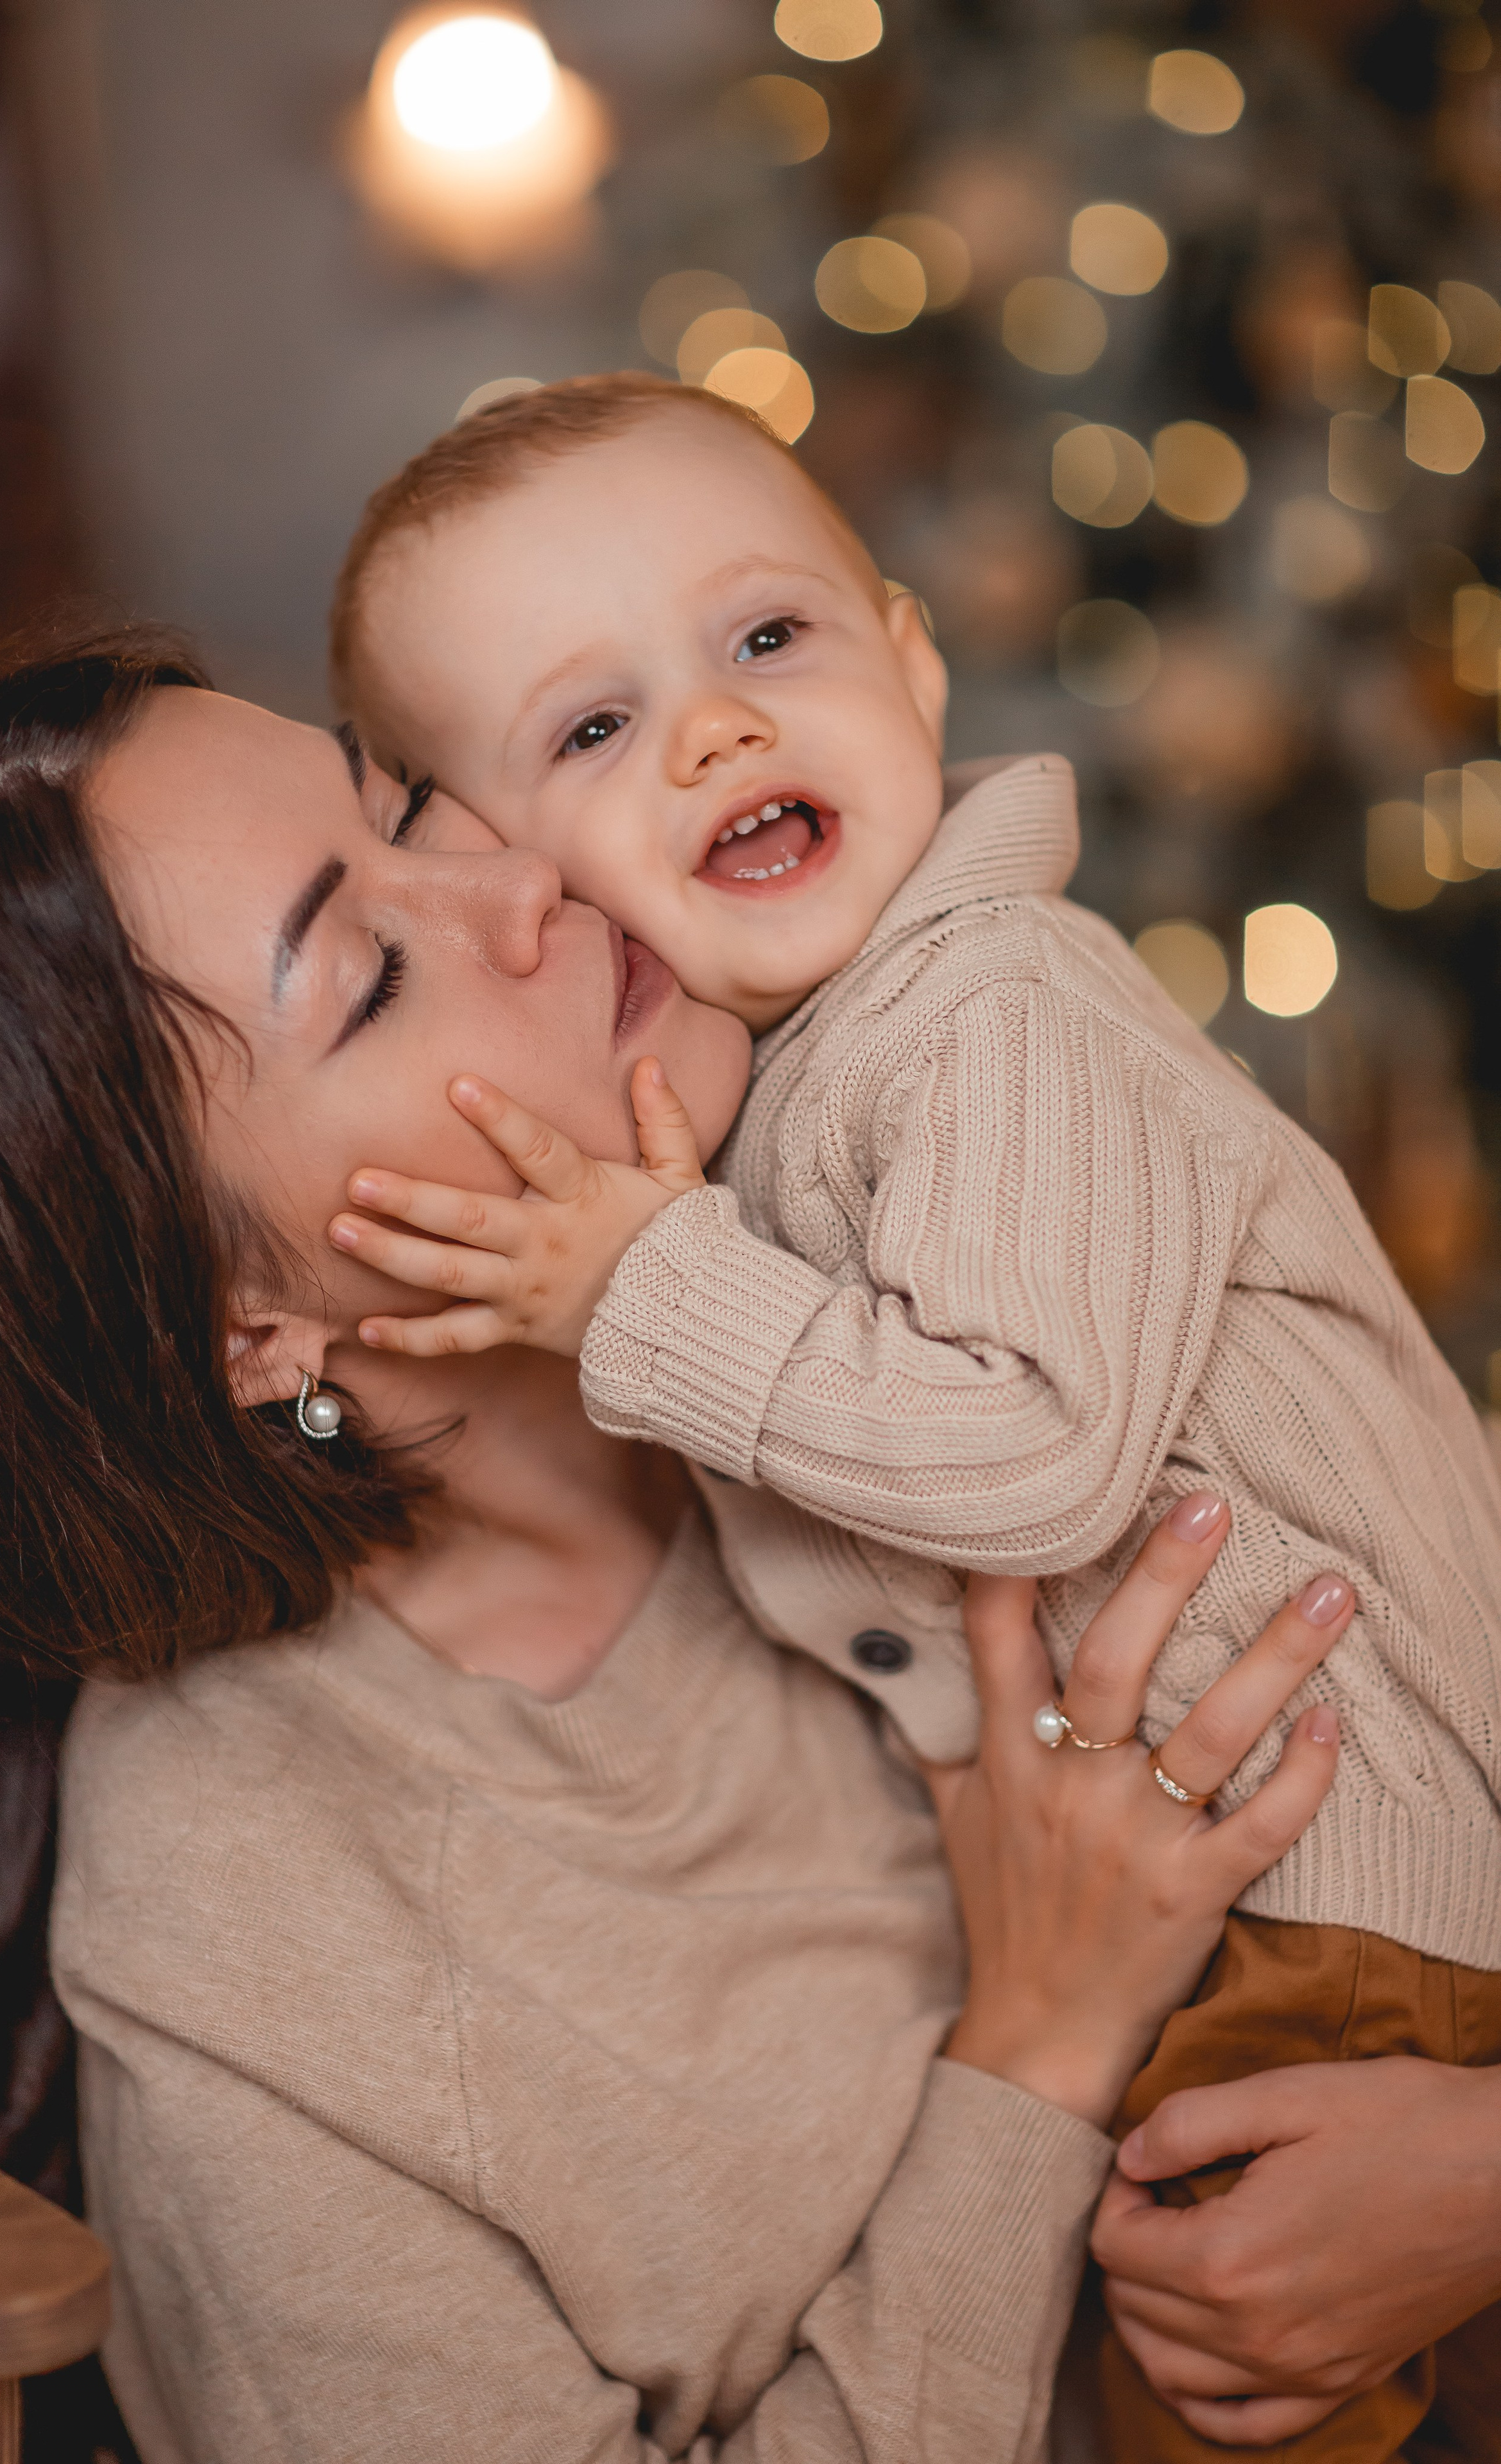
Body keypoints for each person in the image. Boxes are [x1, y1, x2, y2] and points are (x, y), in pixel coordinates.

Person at [0, 632, 1345, 2464]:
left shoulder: (942, 1239)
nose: (524, 876)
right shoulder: (252, 1919)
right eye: (373, 975)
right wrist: (1039, 2050)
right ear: (238, 1324)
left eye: (403, 799)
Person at [325, 370, 1501, 2459]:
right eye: (591, 730)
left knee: (1228, 2387)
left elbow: (1036, 1449)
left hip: (1337, 1873)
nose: (715, 730)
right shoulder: (828, 1073)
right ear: (525, 880)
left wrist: (640, 1287)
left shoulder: (993, 1015)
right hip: (1245, 1868)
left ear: (915, 661)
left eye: (769, 638)